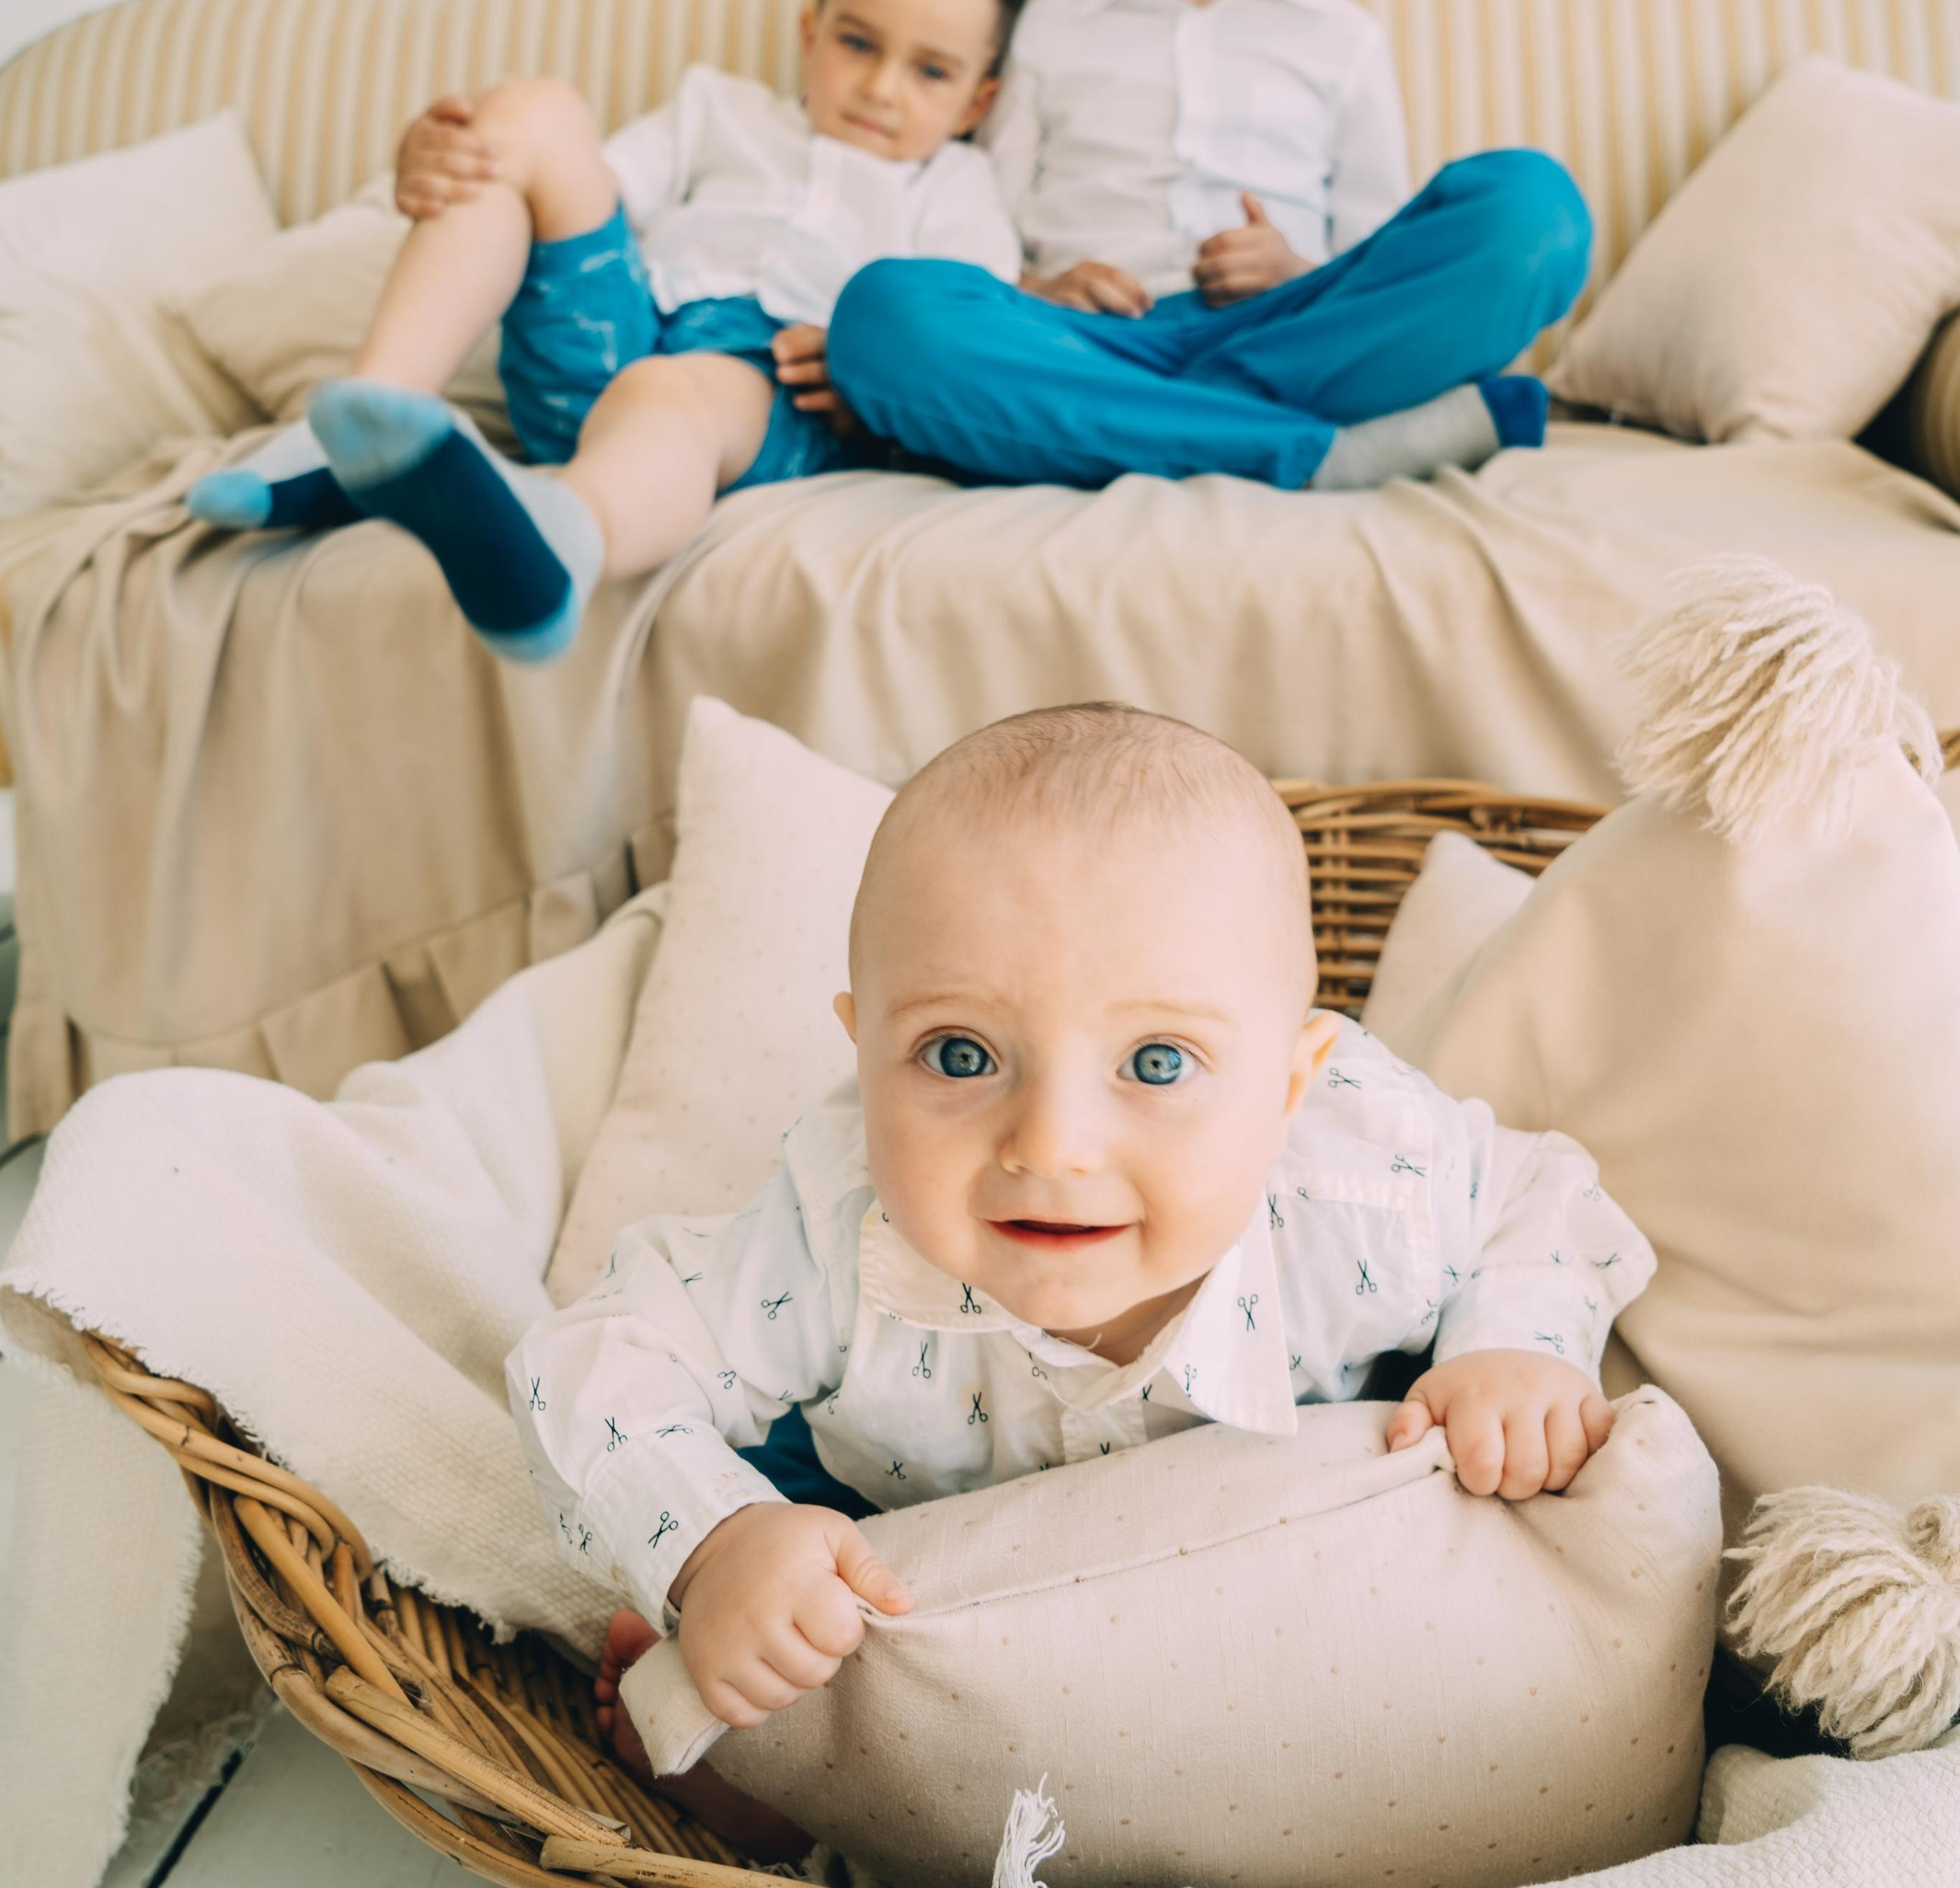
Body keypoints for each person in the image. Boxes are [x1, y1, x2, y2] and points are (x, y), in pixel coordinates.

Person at [508, 704, 1651, 1785]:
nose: (1051, 1147)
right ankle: (791, 1776)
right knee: (800, 1596)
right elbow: (592, 1361)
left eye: (1157, 1064)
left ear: (1288, 1086)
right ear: (863, 1057)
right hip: (917, 1547)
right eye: (960, 1056)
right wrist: (715, 1546)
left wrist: (1516, 1351)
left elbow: (1534, 1198)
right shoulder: (832, 1225)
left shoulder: (1360, 1188)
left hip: (1277, 1564)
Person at [187, 0, 1027, 661]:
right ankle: (368, 415)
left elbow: (962, 340)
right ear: (810, 35)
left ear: (975, 103)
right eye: (857, 44)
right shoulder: (718, 110)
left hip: (774, 386)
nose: (880, 87)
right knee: (534, 113)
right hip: (613, 330)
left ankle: (556, 546)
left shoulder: (956, 187)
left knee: (676, 392)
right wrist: (461, 158)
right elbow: (586, 189)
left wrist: (868, 384)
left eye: (929, 72)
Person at [823, 0, 1592, 493]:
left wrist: (1296, 271)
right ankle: (1315, 451)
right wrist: (1040, 291)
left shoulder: (1341, 38)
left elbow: (1382, 256)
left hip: (1296, 336)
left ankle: (1160, 431)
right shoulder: (1045, 31)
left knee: (1531, 208)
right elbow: (987, 222)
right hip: (1087, 349)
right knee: (880, 313)